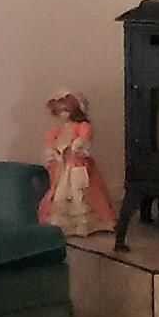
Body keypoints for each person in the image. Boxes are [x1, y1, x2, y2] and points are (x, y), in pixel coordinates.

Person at [39, 91, 117, 238]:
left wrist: (74, 148)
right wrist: (57, 152)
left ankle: (84, 225)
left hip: (76, 165)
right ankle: (63, 224)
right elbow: (52, 146)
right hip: (63, 166)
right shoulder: (57, 131)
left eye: (66, 110)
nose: (63, 115)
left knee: (80, 192)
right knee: (60, 195)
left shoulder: (81, 127)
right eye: (60, 111)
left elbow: (82, 143)